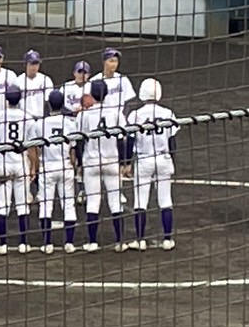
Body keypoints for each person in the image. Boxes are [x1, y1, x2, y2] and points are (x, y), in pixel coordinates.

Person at [75, 78, 130, 251]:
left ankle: (92, 242)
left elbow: (79, 142)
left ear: (92, 94)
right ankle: (120, 241)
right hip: (112, 161)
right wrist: (124, 162)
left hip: (91, 162)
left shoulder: (84, 115)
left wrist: (79, 163)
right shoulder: (116, 113)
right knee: (115, 202)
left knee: (92, 202)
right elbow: (122, 140)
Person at [129, 78, 178, 251]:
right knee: (165, 199)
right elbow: (172, 141)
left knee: (140, 201)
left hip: (143, 159)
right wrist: (172, 160)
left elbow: (130, 140)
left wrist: (127, 162)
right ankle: (167, 239)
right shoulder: (168, 113)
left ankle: (140, 240)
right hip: (163, 158)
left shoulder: (135, 115)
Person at [30, 89, 77, 253]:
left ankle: (47, 243)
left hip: (47, 167)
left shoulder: (39, 124)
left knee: (46, 205)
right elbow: (73, 150)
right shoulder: (70, 123)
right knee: (69, 205)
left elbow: (34, 148)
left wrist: (35, 169)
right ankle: (69, 243)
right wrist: (73, 166)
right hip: (65, 166)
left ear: (48, 104)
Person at [0, 84, 34, 254]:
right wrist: (34, 167)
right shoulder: (28, 118)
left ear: (6, 100)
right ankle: (23, 244)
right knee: (22, 205)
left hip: (4, 164)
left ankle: (3, 245)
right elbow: (31, 147)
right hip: (21, 164)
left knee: (3, 205)